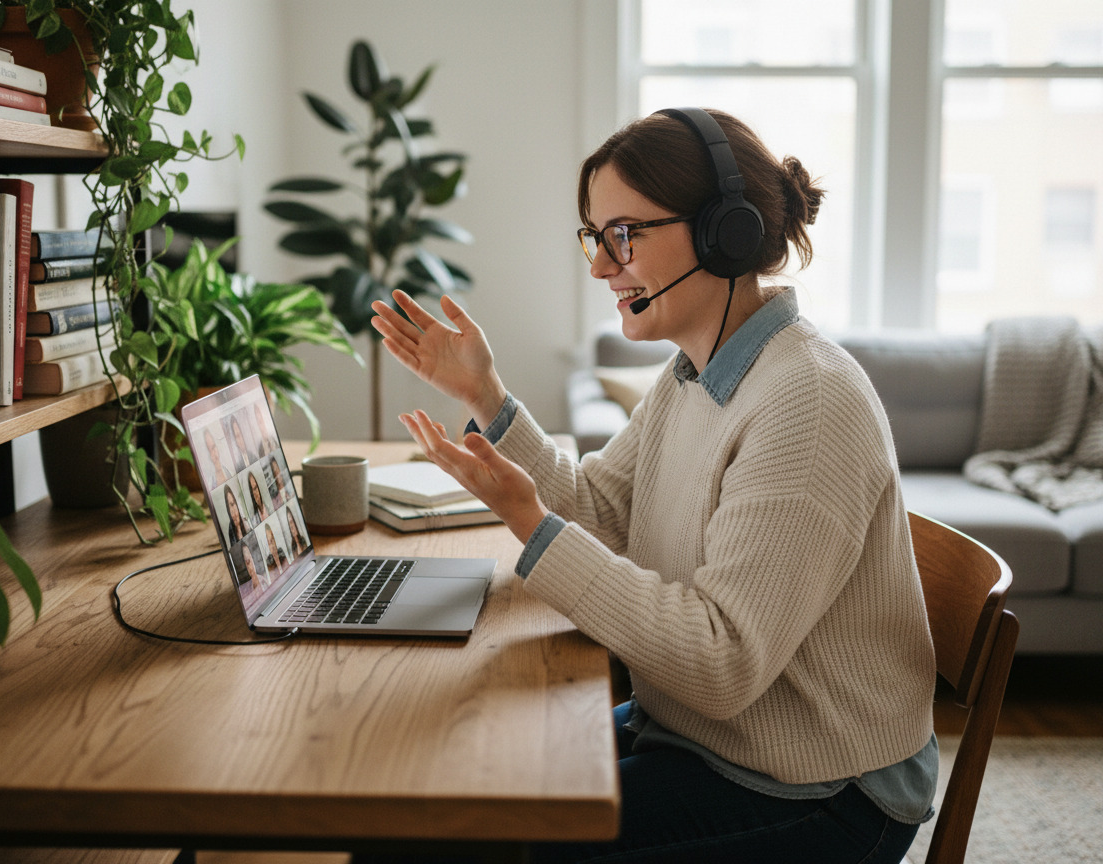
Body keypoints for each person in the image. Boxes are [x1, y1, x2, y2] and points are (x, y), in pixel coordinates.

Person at [368, 108, 937, 863]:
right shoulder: (695, 374)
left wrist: (536, 529)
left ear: (721, 232)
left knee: (446, 841)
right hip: (703, 739)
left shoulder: (810, 403)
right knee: (421, 801)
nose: (602, 267)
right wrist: (488, 400)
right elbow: (602, 512)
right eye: (595, 239)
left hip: (817, 791)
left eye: (623, 236)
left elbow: (721, 662)